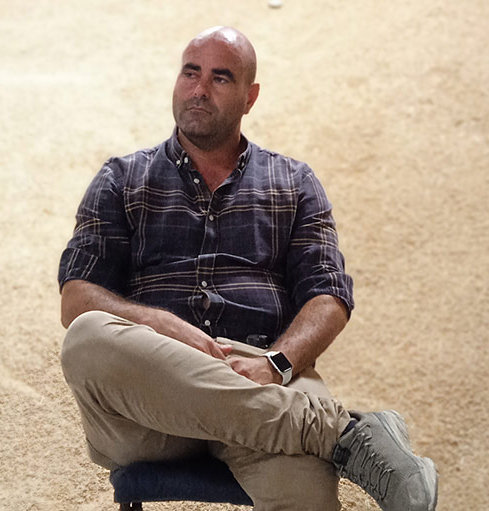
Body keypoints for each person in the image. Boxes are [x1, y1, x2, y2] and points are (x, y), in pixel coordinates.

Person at [58, 26, 438, 511]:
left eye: (220, 78)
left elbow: (329, 297)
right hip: (152, 398)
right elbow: (76, 299)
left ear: (249, 96)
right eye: (190, 73)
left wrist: (276, 363)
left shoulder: (294, 182)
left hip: (264, 371)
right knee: (87, 338)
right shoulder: (122, 178)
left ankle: (315, 428)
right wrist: (158, 323)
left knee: (306, 495)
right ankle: (341, 432)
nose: (198, 89)